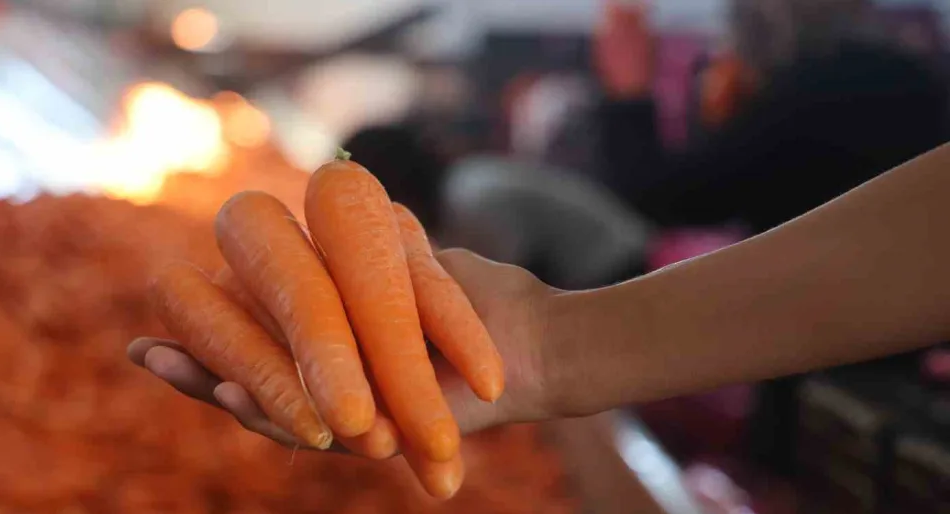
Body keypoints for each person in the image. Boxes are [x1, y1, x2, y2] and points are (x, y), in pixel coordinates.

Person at [128, 142, 950, 449]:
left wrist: (543, 338)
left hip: (622, 256)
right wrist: (546, 345)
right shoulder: (465, 194)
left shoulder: (480, 194)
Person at [589, 0, 949, 232]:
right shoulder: (903, 76)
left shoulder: (820, 88)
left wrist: (629, 91)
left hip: (824, 334)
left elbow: (669, 196)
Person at [342, 123, 653, 290]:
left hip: (619, 264)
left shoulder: (474, 202)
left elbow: (518, 286)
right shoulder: (463, 190)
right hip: (602, 262)